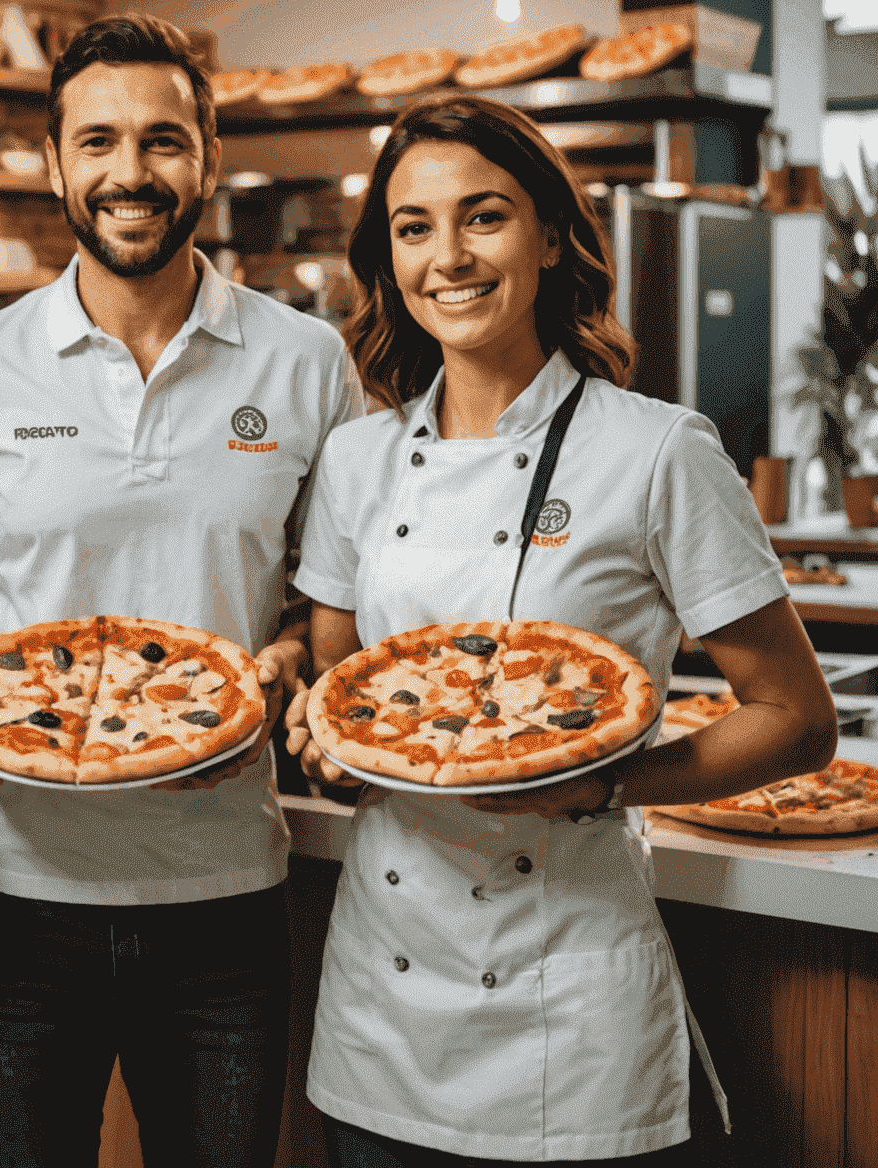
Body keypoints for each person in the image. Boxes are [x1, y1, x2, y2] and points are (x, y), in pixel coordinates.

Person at [282, 92, 838, 1167]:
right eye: (413, 227)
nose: (449, 255)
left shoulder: (660, 450)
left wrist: (605, 786)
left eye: (482, 217)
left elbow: (796, 720)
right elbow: (337, 680)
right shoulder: (355, 462)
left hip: (571, 999)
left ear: (547, 235)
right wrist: (323, 736)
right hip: (380, 1006)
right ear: (387, 257)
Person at [0, 13, 364, 1168]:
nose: (129, 174)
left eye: (161, 140)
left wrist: (300, 661)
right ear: (56, 165)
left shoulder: (308, 363)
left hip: (228, 891)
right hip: (16, 890)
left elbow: (336, 606)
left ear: (205, 155)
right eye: (97, 143)